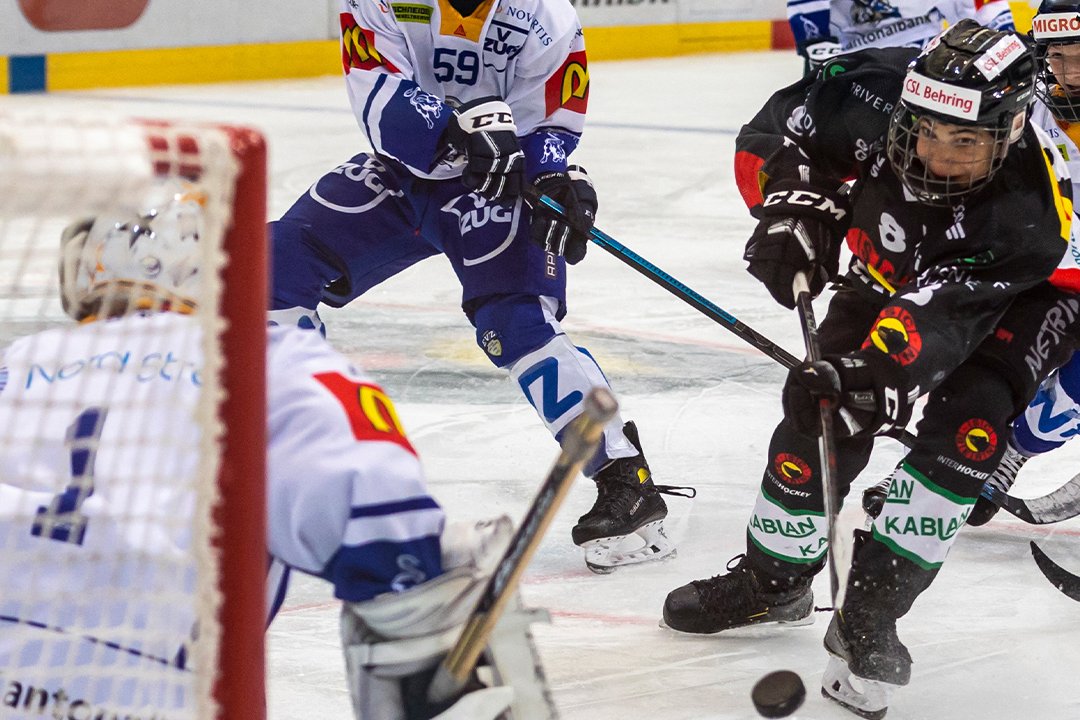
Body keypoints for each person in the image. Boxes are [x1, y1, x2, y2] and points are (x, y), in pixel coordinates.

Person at [0, 180, 547, 720]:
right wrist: (433, 617)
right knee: (447, 569)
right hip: (157, 702)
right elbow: (384, 528)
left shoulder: (14, 368)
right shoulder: (267, 364)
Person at [663, 21, 1078, 718]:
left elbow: (941, 322)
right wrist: (796, 209)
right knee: (817, 413)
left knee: (968, 432)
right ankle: (773, 582)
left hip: (1027, 297)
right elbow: (775, 135)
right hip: (893, 267)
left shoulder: (1028, 214)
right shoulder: (872, 88)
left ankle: (870, 614)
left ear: (1008, 133)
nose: (936, 155)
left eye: (964, 142)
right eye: (926, 132)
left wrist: (875, 375)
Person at [264, 0, 687, 573]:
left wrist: (553, 176)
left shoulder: (545, 15)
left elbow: (552, 121)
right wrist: (455, 130)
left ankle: (625, 479)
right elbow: (377, 95)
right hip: (402, 174)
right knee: (273, 271)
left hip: (495, 185)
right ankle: (298, 456)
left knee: (517, 323)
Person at [786, 0, 1014, 75]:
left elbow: (984, 8)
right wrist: (818, 49)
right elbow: (808, 9)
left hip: (925, 54)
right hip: (855, 59)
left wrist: (1006, 46)